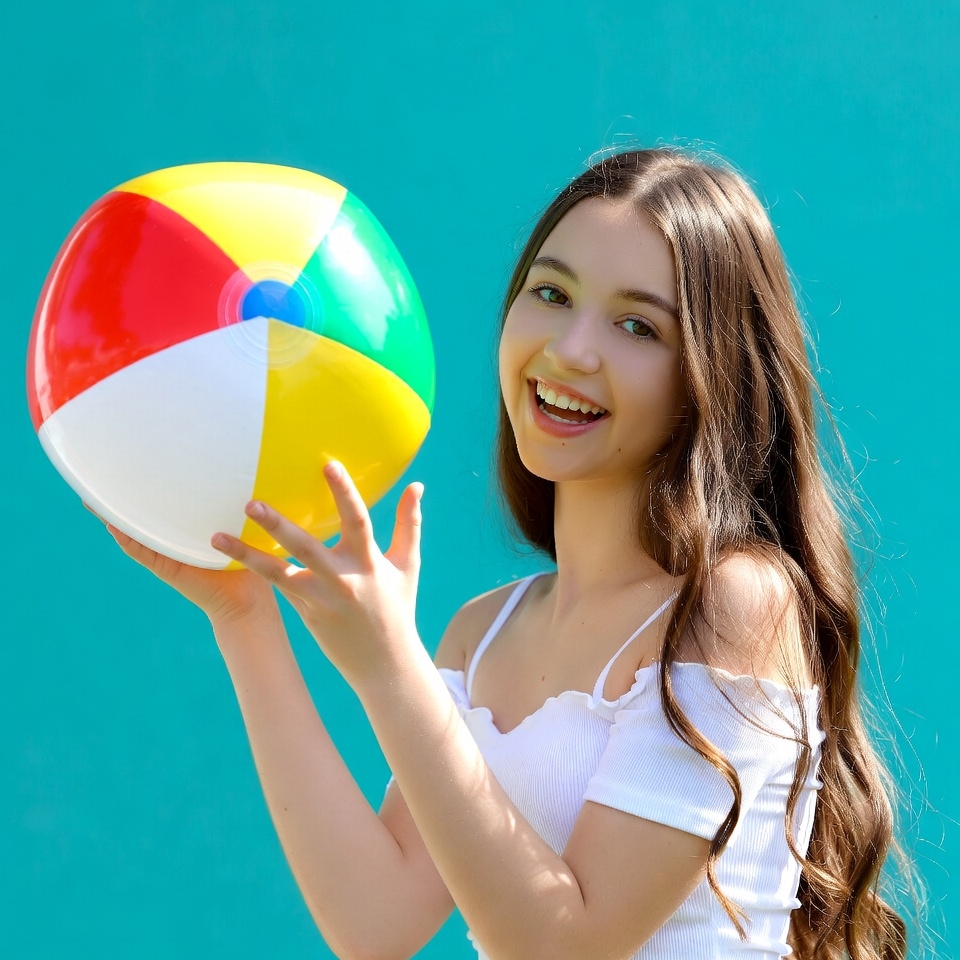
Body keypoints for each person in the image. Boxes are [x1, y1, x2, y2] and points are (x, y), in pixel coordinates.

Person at [103, 148, 907, 959]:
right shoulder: (484, 632)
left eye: (637, 325)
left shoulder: (737, 603)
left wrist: (389, 670)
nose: (570, 350)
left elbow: (566, 947)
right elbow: (373, 925)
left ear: (711, 373)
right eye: (551, 294)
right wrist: (242, 614)